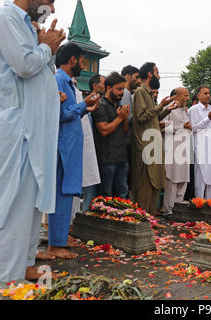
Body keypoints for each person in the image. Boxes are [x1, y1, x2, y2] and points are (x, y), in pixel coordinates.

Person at [0, 0, 65, 283]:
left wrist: (45, 48)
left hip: (32, 131)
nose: (51, 6)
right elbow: (25, 64)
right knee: (13, 202)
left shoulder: (27, 26)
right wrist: (47, 48)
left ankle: (23, 265)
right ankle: (7, 278)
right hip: (15, 129)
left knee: (31, 203)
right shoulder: (2, 17)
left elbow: (40, 68)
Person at [48, 43, 100, 259]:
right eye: (81, 61)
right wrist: (83, 105)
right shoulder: (59, 80)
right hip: (62, 147)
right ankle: (55, 243)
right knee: (61, 195)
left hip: (68, 147)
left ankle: (60, 238)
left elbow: (69, 113)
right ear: (72, 60)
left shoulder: (66, 82)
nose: (82, 65)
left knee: (67, 194)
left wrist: (84, 108)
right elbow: (59, 114)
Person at [131, 62, 176, 214]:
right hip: (145, 146)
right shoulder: (139, 92)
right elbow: (141, 116)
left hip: (154, 144)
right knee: (145, 184)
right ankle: (143, 218)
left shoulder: (149, 94)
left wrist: (166, 108)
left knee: (154, 182)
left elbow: (153, 119)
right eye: (157, 72)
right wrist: (159, 106)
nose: (159, 76)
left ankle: (150, 217)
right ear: (150, 74)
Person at [92, 72, 130, 198]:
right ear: (109, 88)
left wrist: (124, 118)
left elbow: (125, 131)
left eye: (123, 89)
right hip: (106, 159)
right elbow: (103, 130)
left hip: (121, 158)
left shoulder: (118, 106)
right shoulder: (100, 105)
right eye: (119, 89)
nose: (122, 92)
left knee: (122, 194)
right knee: (105, 196)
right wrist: (120, 118)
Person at [188, 86, 211, 199]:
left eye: (209, 93)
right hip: (201, 146)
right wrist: (208, 118)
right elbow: (193, 128)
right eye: (205, 93)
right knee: (200, 176)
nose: (208, 95)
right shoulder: (193, 110)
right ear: (199, 95)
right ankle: (199, 202)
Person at [162, 88, 191, 217]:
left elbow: (189, 127)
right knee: (172, 179)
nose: (188, 98)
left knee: (183, 179)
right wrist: (180, 127)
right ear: (177, 96)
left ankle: (179, 208)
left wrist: (189, 127)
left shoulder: (185, 110)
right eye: (185, 95)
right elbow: (161, 124)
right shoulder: (169, 107)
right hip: (172, 148)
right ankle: (169, 209)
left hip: (184, 148)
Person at [80, 74, 105, 212]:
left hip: (100, 150)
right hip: (88, 149)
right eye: (103, 83)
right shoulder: (87, 103)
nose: (105, 86)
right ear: (95, 86)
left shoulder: (104, 103)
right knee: (87, 185)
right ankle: (84, 213)